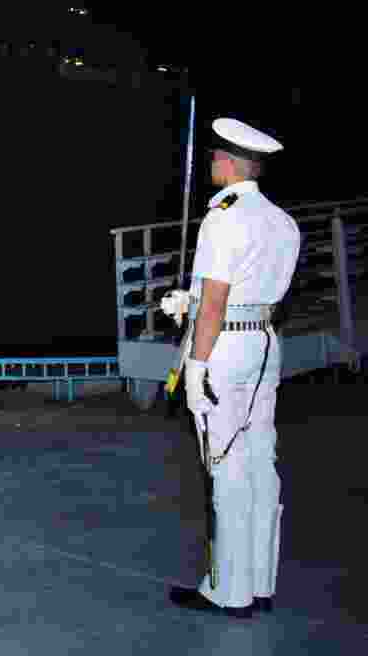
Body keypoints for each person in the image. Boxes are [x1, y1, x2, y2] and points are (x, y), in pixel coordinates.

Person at [161, 117, 300, 618]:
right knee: (261, 459)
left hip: (225, 348)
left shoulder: (223, 217)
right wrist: (191, 300)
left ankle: (227, 591)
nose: (212, 164)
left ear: (229, 162)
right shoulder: (281, 222)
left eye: (215, 158)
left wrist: (196, 368)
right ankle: (261, 583)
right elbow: (253, 292)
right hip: (264, 342)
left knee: (224, 464)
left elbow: (218, 301)